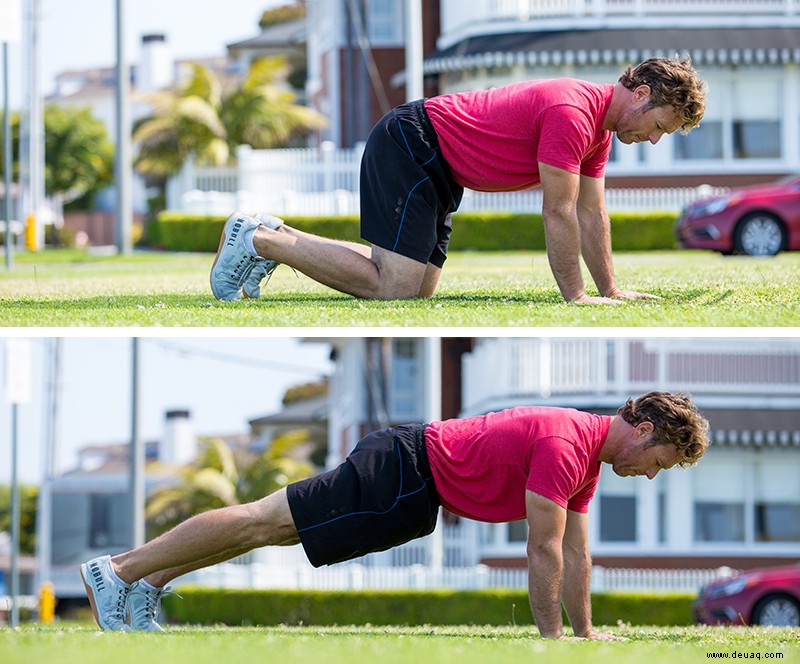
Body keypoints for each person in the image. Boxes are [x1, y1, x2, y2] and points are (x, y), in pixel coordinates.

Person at [80, 391, 709, 638]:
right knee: (263, 521)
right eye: (661, 461)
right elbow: (543, 550)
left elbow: (576, 553)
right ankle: (120, 570)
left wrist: (585, 634)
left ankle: (144, 582)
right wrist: (553, 644)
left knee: (268, 530)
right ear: (645, 431)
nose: (653, 476)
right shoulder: (565, 444)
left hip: (412, 479)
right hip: (406, 469)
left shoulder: (586, 459)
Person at [210, 57, 706, 305]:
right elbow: (558, 211)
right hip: (414, 143)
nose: (655, 140)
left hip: (440, 165)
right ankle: (258, 242)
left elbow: (591, 213)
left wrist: (611, 291)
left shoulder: (597, 130)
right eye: (660, 126)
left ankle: (273, 233)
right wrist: (576, 297)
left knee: (417, 288)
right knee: (395, 289)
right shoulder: (572, 112)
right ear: (640, 94)